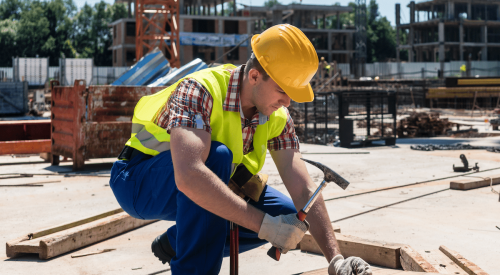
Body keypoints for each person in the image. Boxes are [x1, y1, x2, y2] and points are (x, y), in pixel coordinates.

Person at [109, 24, 372, 275]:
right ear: (255, 76)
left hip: (204, 179)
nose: (287, 101)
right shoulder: (200, 90)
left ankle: (179, 241)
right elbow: (189, 175)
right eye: (282, 90)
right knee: (217, 158)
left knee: (288, 217)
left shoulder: (277, 116)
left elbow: (302, 188)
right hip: (138, 180)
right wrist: (263, 226)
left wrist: (336, 259)